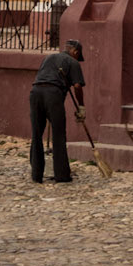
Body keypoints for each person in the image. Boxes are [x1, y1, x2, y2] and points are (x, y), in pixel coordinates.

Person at [29, 37, 85, 184]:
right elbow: (78, 86)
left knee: (36, 134)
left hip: (35, 93)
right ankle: (62, 175)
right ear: (75, 52)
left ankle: (36, 174)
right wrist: (81, 107)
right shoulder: (73, 62)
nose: (78, 58)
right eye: (78, 56)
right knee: (58, 135)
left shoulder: (48, 57)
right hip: (53, 95)